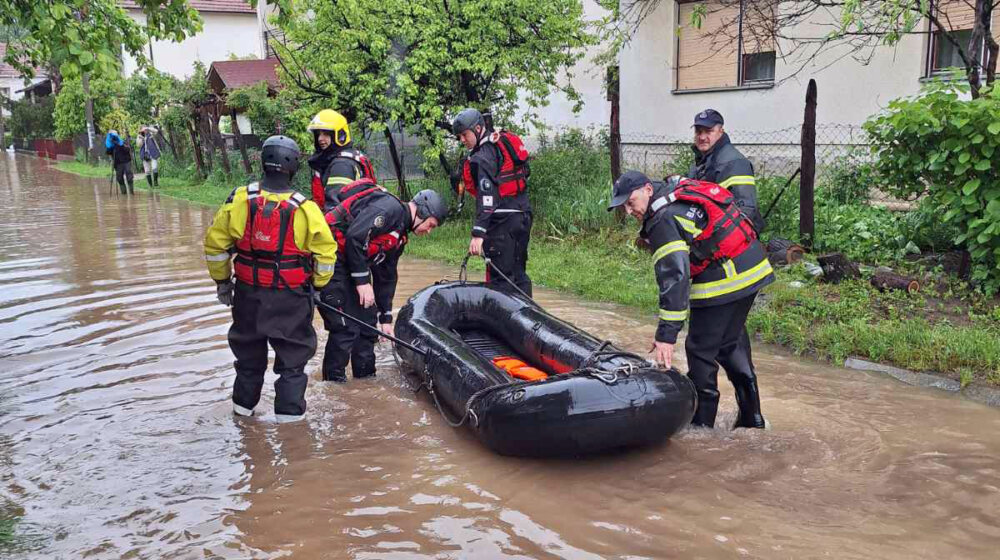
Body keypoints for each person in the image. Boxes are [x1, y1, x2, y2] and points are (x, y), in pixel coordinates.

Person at [607, 170, 774, 429]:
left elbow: (675, 278)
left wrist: (666, 336)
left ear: (648, 190)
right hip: (752, 268)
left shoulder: (662, 219)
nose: (629, 211)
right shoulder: (673, 194)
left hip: (725, 280)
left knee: (700, 351)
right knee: (729, 343)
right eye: (623, 207)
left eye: (631, 202)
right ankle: (752, 419)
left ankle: (701, 430)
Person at [203, 135, 338, 422]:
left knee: (248, 358)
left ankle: (241, 416)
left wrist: (223, 283)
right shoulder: (306, 209)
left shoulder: (239, 200)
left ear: (263, 162)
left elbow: (215, 247)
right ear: (294, 166)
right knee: (292, 363)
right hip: (291, 298)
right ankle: (291, 430)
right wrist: (318, 286)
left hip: (248, 295)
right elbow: (326, 255)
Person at [318, 181, 447, 382]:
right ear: (422, 211)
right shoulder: (390, 209)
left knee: (368, 326)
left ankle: (365, 382)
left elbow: (386, 275)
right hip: (332, 261)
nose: (428, 231)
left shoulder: (400, 237)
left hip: (353, 266)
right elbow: (355, 236)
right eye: (430, 225)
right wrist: (362, 282)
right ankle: (334, 387)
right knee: (345, 328)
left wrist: (385, 318)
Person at [451, 108, 533, 296]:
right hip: (523, 216)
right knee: (519, 274)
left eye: (464, 134)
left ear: (478, 129)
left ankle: (504, 315)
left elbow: (487, 197)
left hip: (503, 223)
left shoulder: (482, 156)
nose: (462, 140)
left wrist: (478, 233)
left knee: (500, 280)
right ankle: (528, 311)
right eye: (459, 136)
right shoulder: (500, 144)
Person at [688, 109, 764, 232]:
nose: (702, 137)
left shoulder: (735, 163)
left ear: (721, 132)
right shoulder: (701, 160)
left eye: (708, 131)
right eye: (698, 131)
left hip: (731, 235)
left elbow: (746, 210)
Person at [305, 109, 377, 212]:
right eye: (318, 134)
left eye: (325, 134)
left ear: (339, 135)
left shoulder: (341, 165)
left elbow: (336, 209)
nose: (320, 138)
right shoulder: (343, 157)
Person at [105, 130, 134, 195]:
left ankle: (131, 192)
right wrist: (110, 145)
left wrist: (119, 143)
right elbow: (108, 152)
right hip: (117, 163)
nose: (114, 137)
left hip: (126, 161)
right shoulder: (109, 143)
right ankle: (124, 193)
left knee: (129, 175)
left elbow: (128, 149)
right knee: (119, 178)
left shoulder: (121, 141)